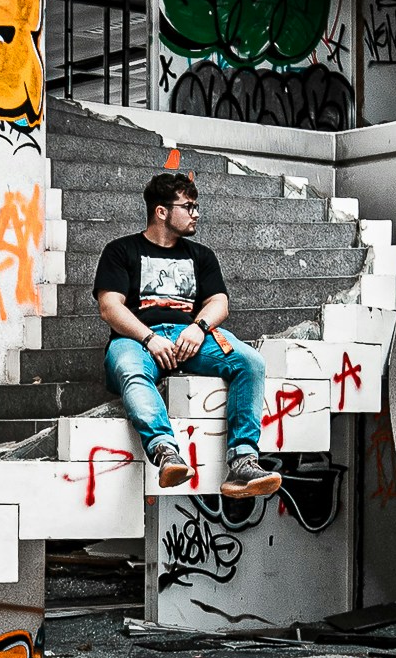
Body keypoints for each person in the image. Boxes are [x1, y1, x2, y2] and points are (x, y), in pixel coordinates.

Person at [94, 168, 279, 494]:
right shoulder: (121, 251)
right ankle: (166, 452)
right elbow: (110, 307)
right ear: (161, 211)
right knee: (129, 367)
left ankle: (243, 463)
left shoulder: (201, 255)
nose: (196, 213)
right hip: (136, 338)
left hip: (190, 337)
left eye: (196, 206)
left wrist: (199, 327)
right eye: (188, 206)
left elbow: (220, 302)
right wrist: (149, 338)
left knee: (250, 362)